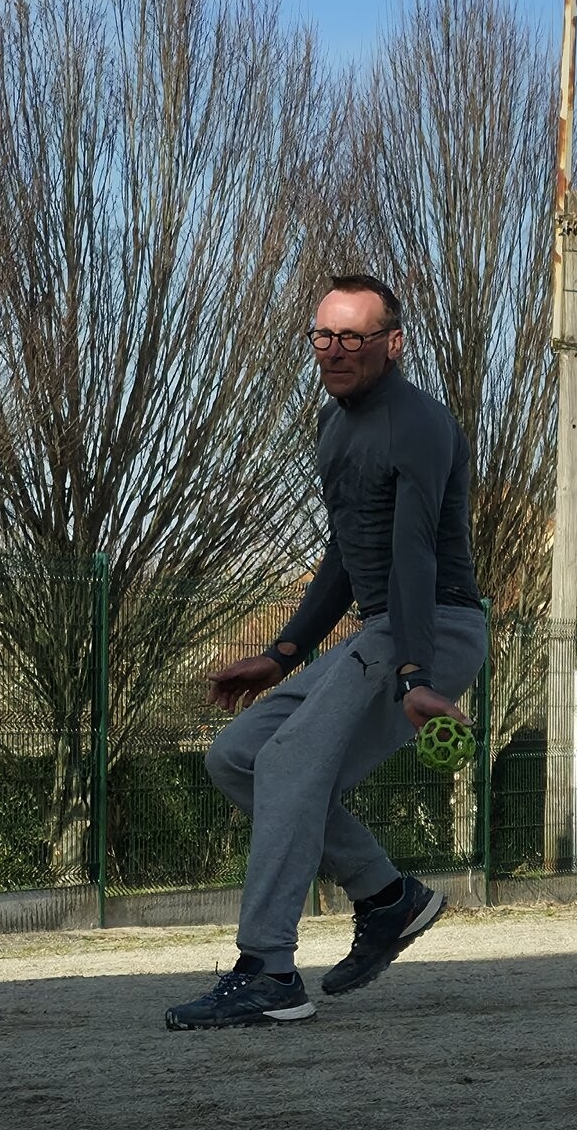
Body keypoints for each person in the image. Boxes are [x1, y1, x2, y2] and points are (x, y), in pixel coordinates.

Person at [171, 273, 488, 1030]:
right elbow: (349, 553)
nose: (335, 350)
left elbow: (412, 553)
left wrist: (415, 673)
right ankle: (386, 897)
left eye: (353, 336)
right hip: (382, 634)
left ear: (392, 343)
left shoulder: (418, 424)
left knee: (288, 765)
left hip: (432, 628)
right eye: (323, 335)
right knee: (239, 756)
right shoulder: (333, 425)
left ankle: (269, 972)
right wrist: (282, 654)